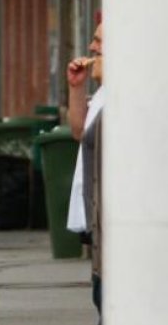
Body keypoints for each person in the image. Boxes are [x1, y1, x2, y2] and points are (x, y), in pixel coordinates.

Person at [66, 22, 103, 320]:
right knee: (99, 289)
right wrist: (76, 88)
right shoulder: (103, 92)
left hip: (109, 214)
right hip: (95, 215)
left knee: (106, 293)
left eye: (98, 41)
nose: (91, 47)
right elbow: (79, 131)